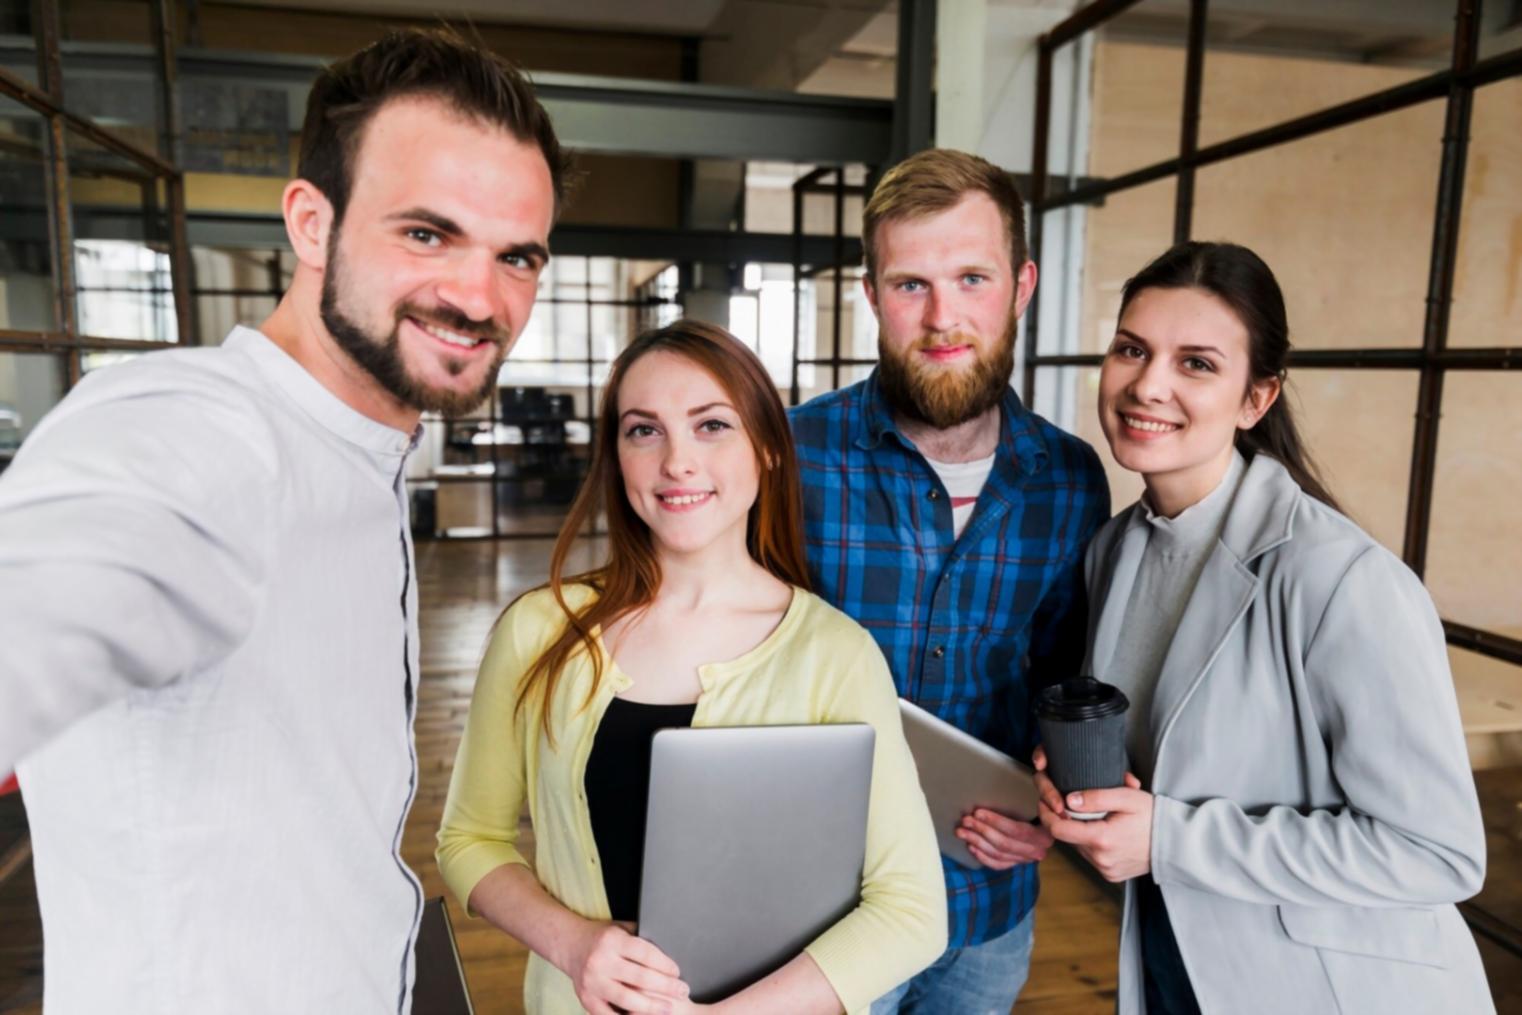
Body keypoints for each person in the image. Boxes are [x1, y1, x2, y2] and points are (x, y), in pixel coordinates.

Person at [0, 27, 568, 1013]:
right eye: (426, 233)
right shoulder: (198, 435)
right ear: (312, 223)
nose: (480, 296)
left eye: (516, 255)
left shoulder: (360, 445)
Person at [436, 320, 947, 1015]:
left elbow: (912, 909)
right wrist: (575, 944)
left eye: (711, 425)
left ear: (766, 447)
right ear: (616, 455)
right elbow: (469, 839)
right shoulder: (539, 629)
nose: (677, 461)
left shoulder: (837, 653)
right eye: (643, 430)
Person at [1034, 241, 1492, 1014]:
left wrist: (1170, 839)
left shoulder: (1340, 578)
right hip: (1178, 962)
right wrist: (1082, 779)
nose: (1149, 384)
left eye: (1197, 364)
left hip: (1333, 989)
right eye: (1132, 349)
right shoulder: (1112, 550)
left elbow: (1438, 853)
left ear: (1257, 398)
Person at [789, 147, 1111, 1012]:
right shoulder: (787, 455)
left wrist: (1049, 805)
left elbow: (1057, 679)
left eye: (973, 277)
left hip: (986, 906)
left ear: (1022, 284)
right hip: (821, 911)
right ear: (870, 296)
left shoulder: (1072, 479)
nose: (944, 318)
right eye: (910, 285)